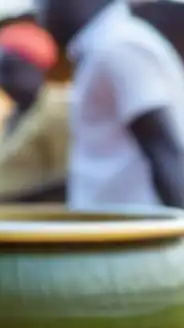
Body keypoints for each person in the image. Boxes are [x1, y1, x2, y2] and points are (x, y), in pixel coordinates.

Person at [36, 0, 184, 328]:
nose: (38, 8)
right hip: (124, 259)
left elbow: (166, 152)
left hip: (132, 264)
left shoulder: (120, 49)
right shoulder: (111, 48)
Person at [35, 0, 184, 209]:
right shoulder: (103, 49)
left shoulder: (119, 47)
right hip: (116, 228)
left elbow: (166, 153)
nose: (40, 13)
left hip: (136, 232)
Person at [0, 21, 69, 203]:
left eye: (6, 70)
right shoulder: (9, 117)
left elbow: (65, 181)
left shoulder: (59, 110)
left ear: (35, 66)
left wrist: (7, 201)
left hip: (35, 224)